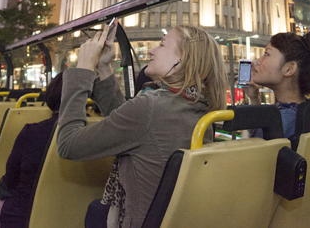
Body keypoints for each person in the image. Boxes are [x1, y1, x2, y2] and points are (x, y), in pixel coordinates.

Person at [57, 24, 227, 228]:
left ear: (182, 60)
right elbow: (129, 127)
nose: (150, 51)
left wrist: (83, 69)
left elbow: (68, 144)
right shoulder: (197, 106)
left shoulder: (151, 107)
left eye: (162, 45)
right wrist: (103, 66)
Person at [0, 72, 63, 228]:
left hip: (26, 213)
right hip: (79, 214)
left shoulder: (32, 132)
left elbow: (11, 178)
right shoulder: (100, 132)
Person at [245, 26, 310, 139]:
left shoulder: (279, 121)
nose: (257, 61)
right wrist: (254, 98)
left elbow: (257, 147)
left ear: (289, 69)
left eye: (267, 54)